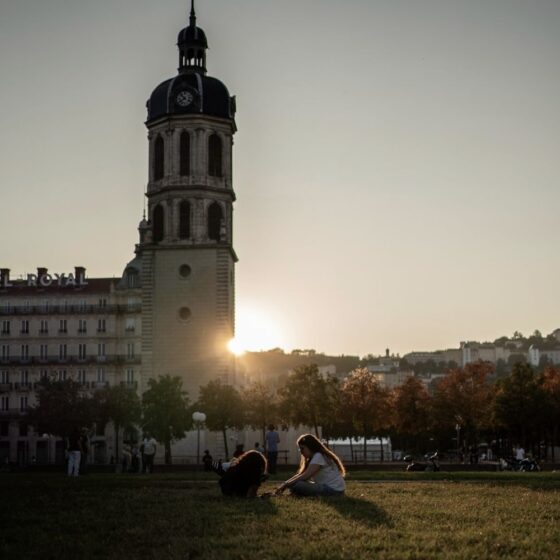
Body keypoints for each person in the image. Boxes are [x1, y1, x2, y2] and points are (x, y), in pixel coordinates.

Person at [276, 434, 345, 497]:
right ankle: (296, 494)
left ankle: (297, 493)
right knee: (296, 483)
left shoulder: (318, 456)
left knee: (298, 485)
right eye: (299, 449)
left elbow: (305, 476)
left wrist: (286, 484)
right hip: (334, 490)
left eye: (302, 448)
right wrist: (286, 483)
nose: (301, 451)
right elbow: (301, 475)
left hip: (333, 491)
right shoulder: (316, 456)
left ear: (310, 446)